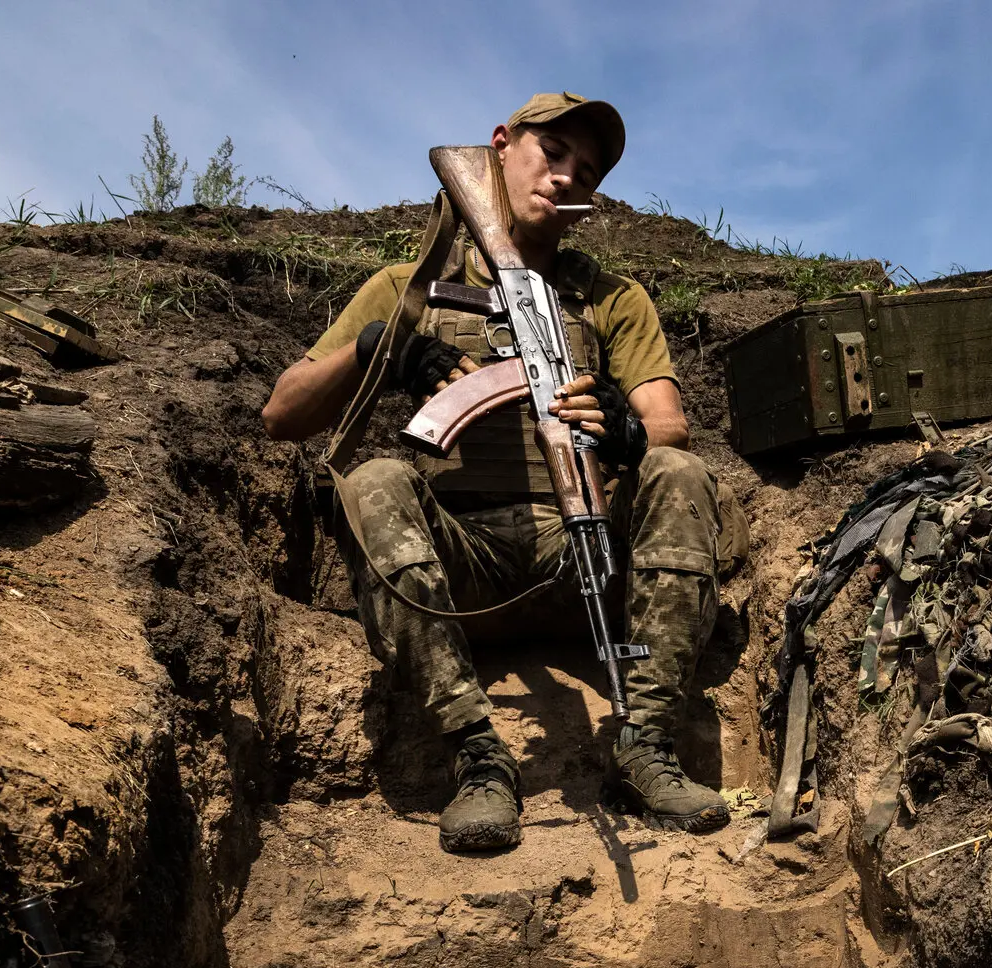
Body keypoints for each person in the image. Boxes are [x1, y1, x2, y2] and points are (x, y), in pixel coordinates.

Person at [262, 92, 730, 854]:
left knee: (677, 471)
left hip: (585, 563)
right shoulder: (409, 285)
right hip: (463, 568)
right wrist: (383, 350)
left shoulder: (611, 298)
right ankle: (478, 756)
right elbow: (283, 415)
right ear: (501, 146)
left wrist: (625, 424)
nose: (567, 178)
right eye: (553, 153)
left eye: (587, 171)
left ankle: (644, 744)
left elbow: (670, 424)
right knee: (375, 479)